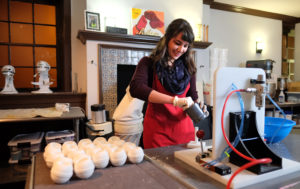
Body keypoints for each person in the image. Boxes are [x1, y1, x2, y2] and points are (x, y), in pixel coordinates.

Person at [129, 18, 208, 149]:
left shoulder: (189, 67)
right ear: (167, 39)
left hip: (184, 132)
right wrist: (174, 100)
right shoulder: (148, 63)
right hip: (158, 133)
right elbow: (136, 88)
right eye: (177, 43)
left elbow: (193, 96)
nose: (181, 49)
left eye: (185, 45)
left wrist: (199, 105)